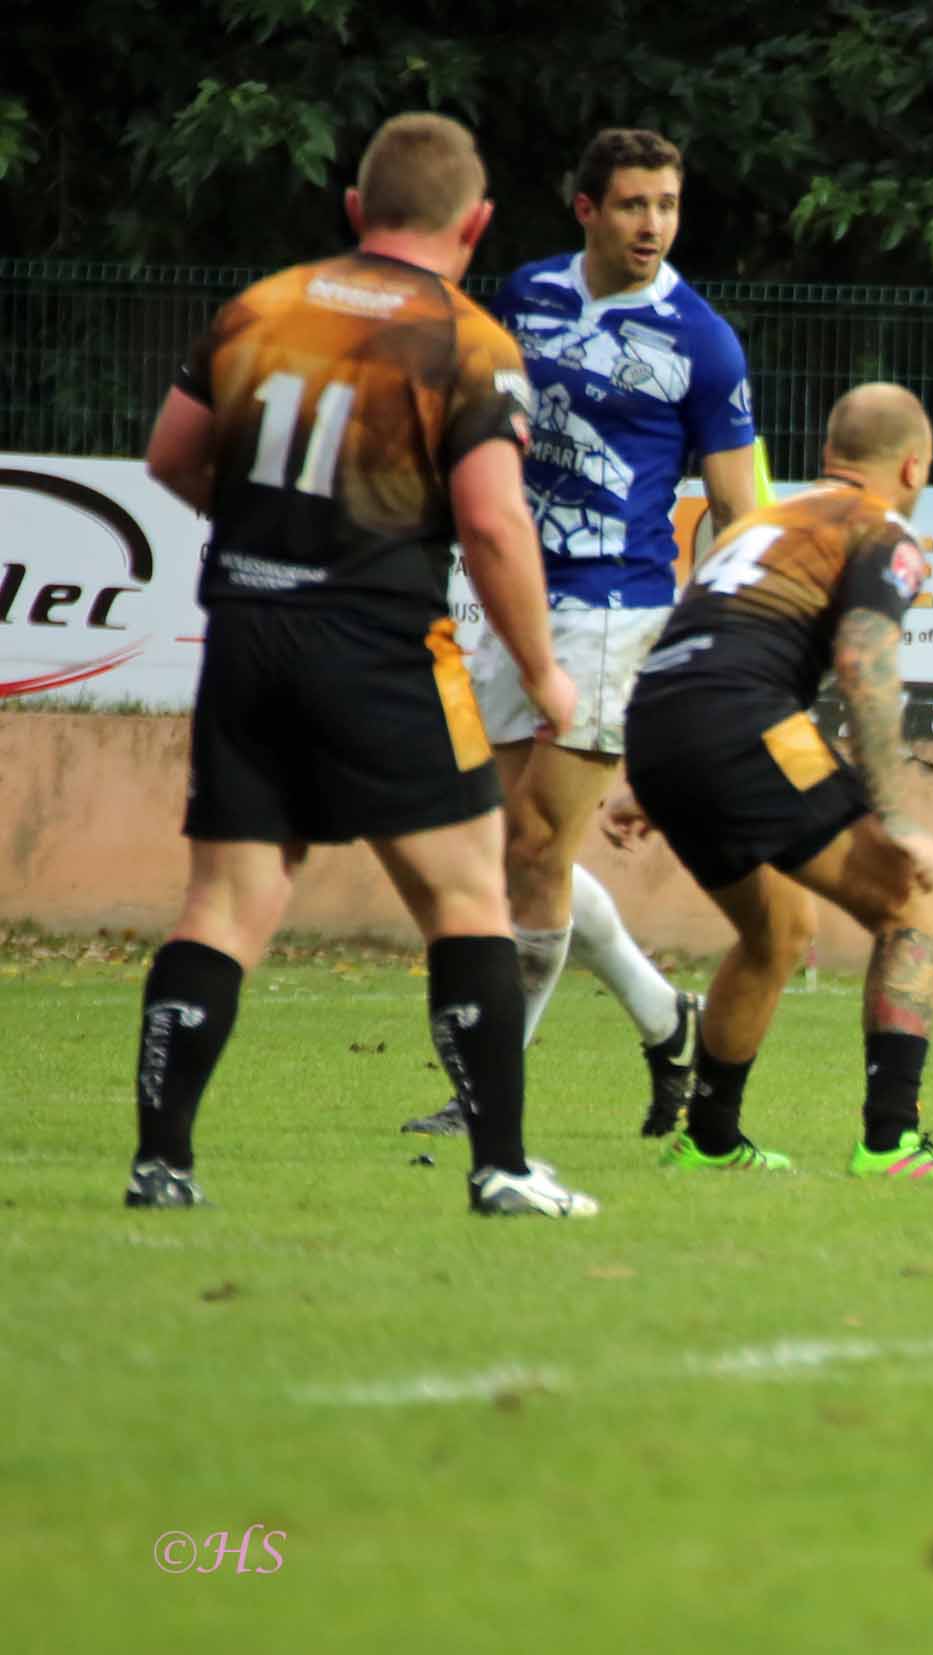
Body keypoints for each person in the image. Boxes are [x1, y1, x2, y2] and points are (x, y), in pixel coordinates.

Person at [128, 112, 596, 1217]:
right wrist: (545, 671)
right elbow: (492, 524)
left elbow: (171, 456)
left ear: (355, 208)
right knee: (469, 897)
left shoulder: (262, 308)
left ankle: (162, 1165)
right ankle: (501, 1167)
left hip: (248, 633)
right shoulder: (466, 341)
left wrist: (273, 531)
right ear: (476, 224)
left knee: (226, 902)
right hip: (382, 642)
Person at [398, 128, 760, 1141]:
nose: (654, 224)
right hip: (511, 597)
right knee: (511, 849)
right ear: (587, 209)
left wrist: (724, 646)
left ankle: (489, 1090)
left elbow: (740, 510)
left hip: (615, 613)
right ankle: (665, 1017)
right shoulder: (527, 294)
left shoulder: (700, 340)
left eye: (668, 206)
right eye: (635, 204)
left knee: (533, 844)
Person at [603, 382, 933, 1182]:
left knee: (777, 929)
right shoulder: (882, 530)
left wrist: (658, 769)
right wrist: (894, 815)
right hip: (743, 723)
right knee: (915, 903)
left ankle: (711, 1139)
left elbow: (694, 636)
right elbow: (864, 659)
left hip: (661, 724)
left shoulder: (760, 525)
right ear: (914, 466)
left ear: (830, 454)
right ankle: (892, 1143)